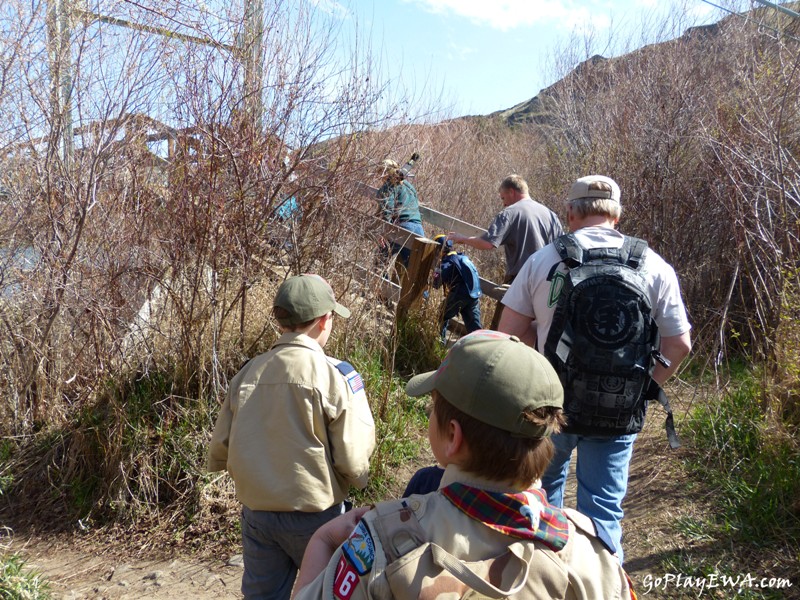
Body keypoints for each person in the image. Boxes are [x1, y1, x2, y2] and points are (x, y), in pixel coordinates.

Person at [291, 330, 636, 600]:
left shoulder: (380, 539)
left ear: (453, 437)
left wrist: (322, 540)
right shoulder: (591, 552)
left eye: (433, 408)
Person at [498, 175, 692, 563]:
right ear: (616, 216)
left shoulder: (544, 260)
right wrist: (642, 388)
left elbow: (508, 336)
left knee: (540, 501)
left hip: (548, 406)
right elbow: (680, 344)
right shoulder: (653, 265)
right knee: (603, 511)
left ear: (570, 213)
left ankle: (545, 579)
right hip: (618, 409)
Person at [207, 274, 377, 599]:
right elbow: (353, 461)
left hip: (258, 516)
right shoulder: (335, 374)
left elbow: (221, 448)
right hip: (318, 517)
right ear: (324, 320)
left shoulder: (248, 372)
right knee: (326, 593)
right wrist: (359, 481)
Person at [447, 174, 563, 285]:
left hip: (521, 281)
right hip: (548, 281)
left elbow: (487, 244)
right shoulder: (551, 215)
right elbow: (561, 248)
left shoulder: (509, 213)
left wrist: (463, 239)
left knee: (505, 306)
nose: (504, 204)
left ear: (512, 192)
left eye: (503, 198)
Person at [431, 233, 482, 343]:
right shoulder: (462, 257)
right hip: (474, 295)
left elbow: (435, 284)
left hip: (460, 294)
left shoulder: (447, 263)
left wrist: (436, 270)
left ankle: (440, 342)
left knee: (441, 315)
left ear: (440, 250)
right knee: (474, 328)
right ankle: (478, 346)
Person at [375, 158, 425, 268]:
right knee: (411, 270)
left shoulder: (389, 186)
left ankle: (378, 285)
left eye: (380, 173)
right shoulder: (409, 186)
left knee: (380, 263)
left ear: (385, 172)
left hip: (402, 227)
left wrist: (384, 232)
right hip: (419, 229)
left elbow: (388, 209)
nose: (380, 177)